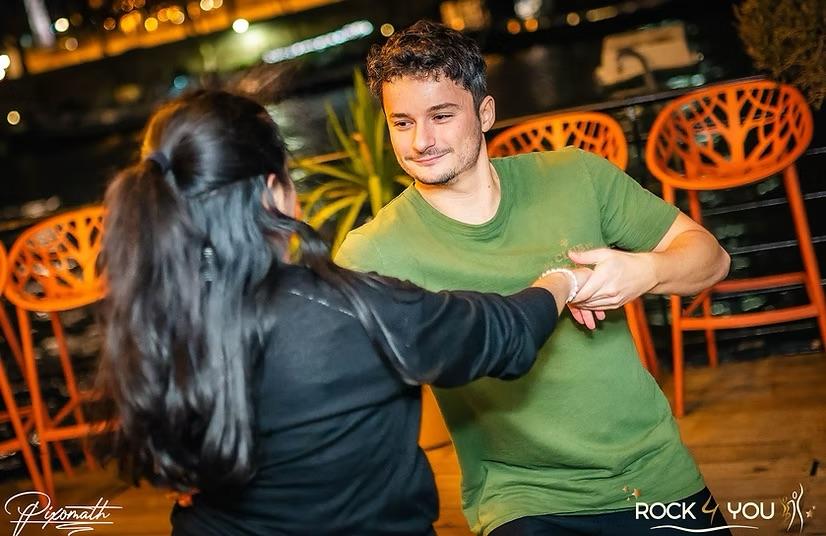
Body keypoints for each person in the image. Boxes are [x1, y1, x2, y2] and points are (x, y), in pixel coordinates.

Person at [95, 90, 590, 535]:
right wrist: (562, 280)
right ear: (272, 192)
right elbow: (506, 335)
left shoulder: (150, 324)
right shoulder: (353, 313)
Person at [335, 20, 733, 536]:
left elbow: (712, 259)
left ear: (485, 113)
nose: (422, 141)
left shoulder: (575, 174)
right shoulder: (371, 253)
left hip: (654, 472)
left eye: (441, 116)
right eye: (402, 122)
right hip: (521, 498)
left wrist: (644, 271)